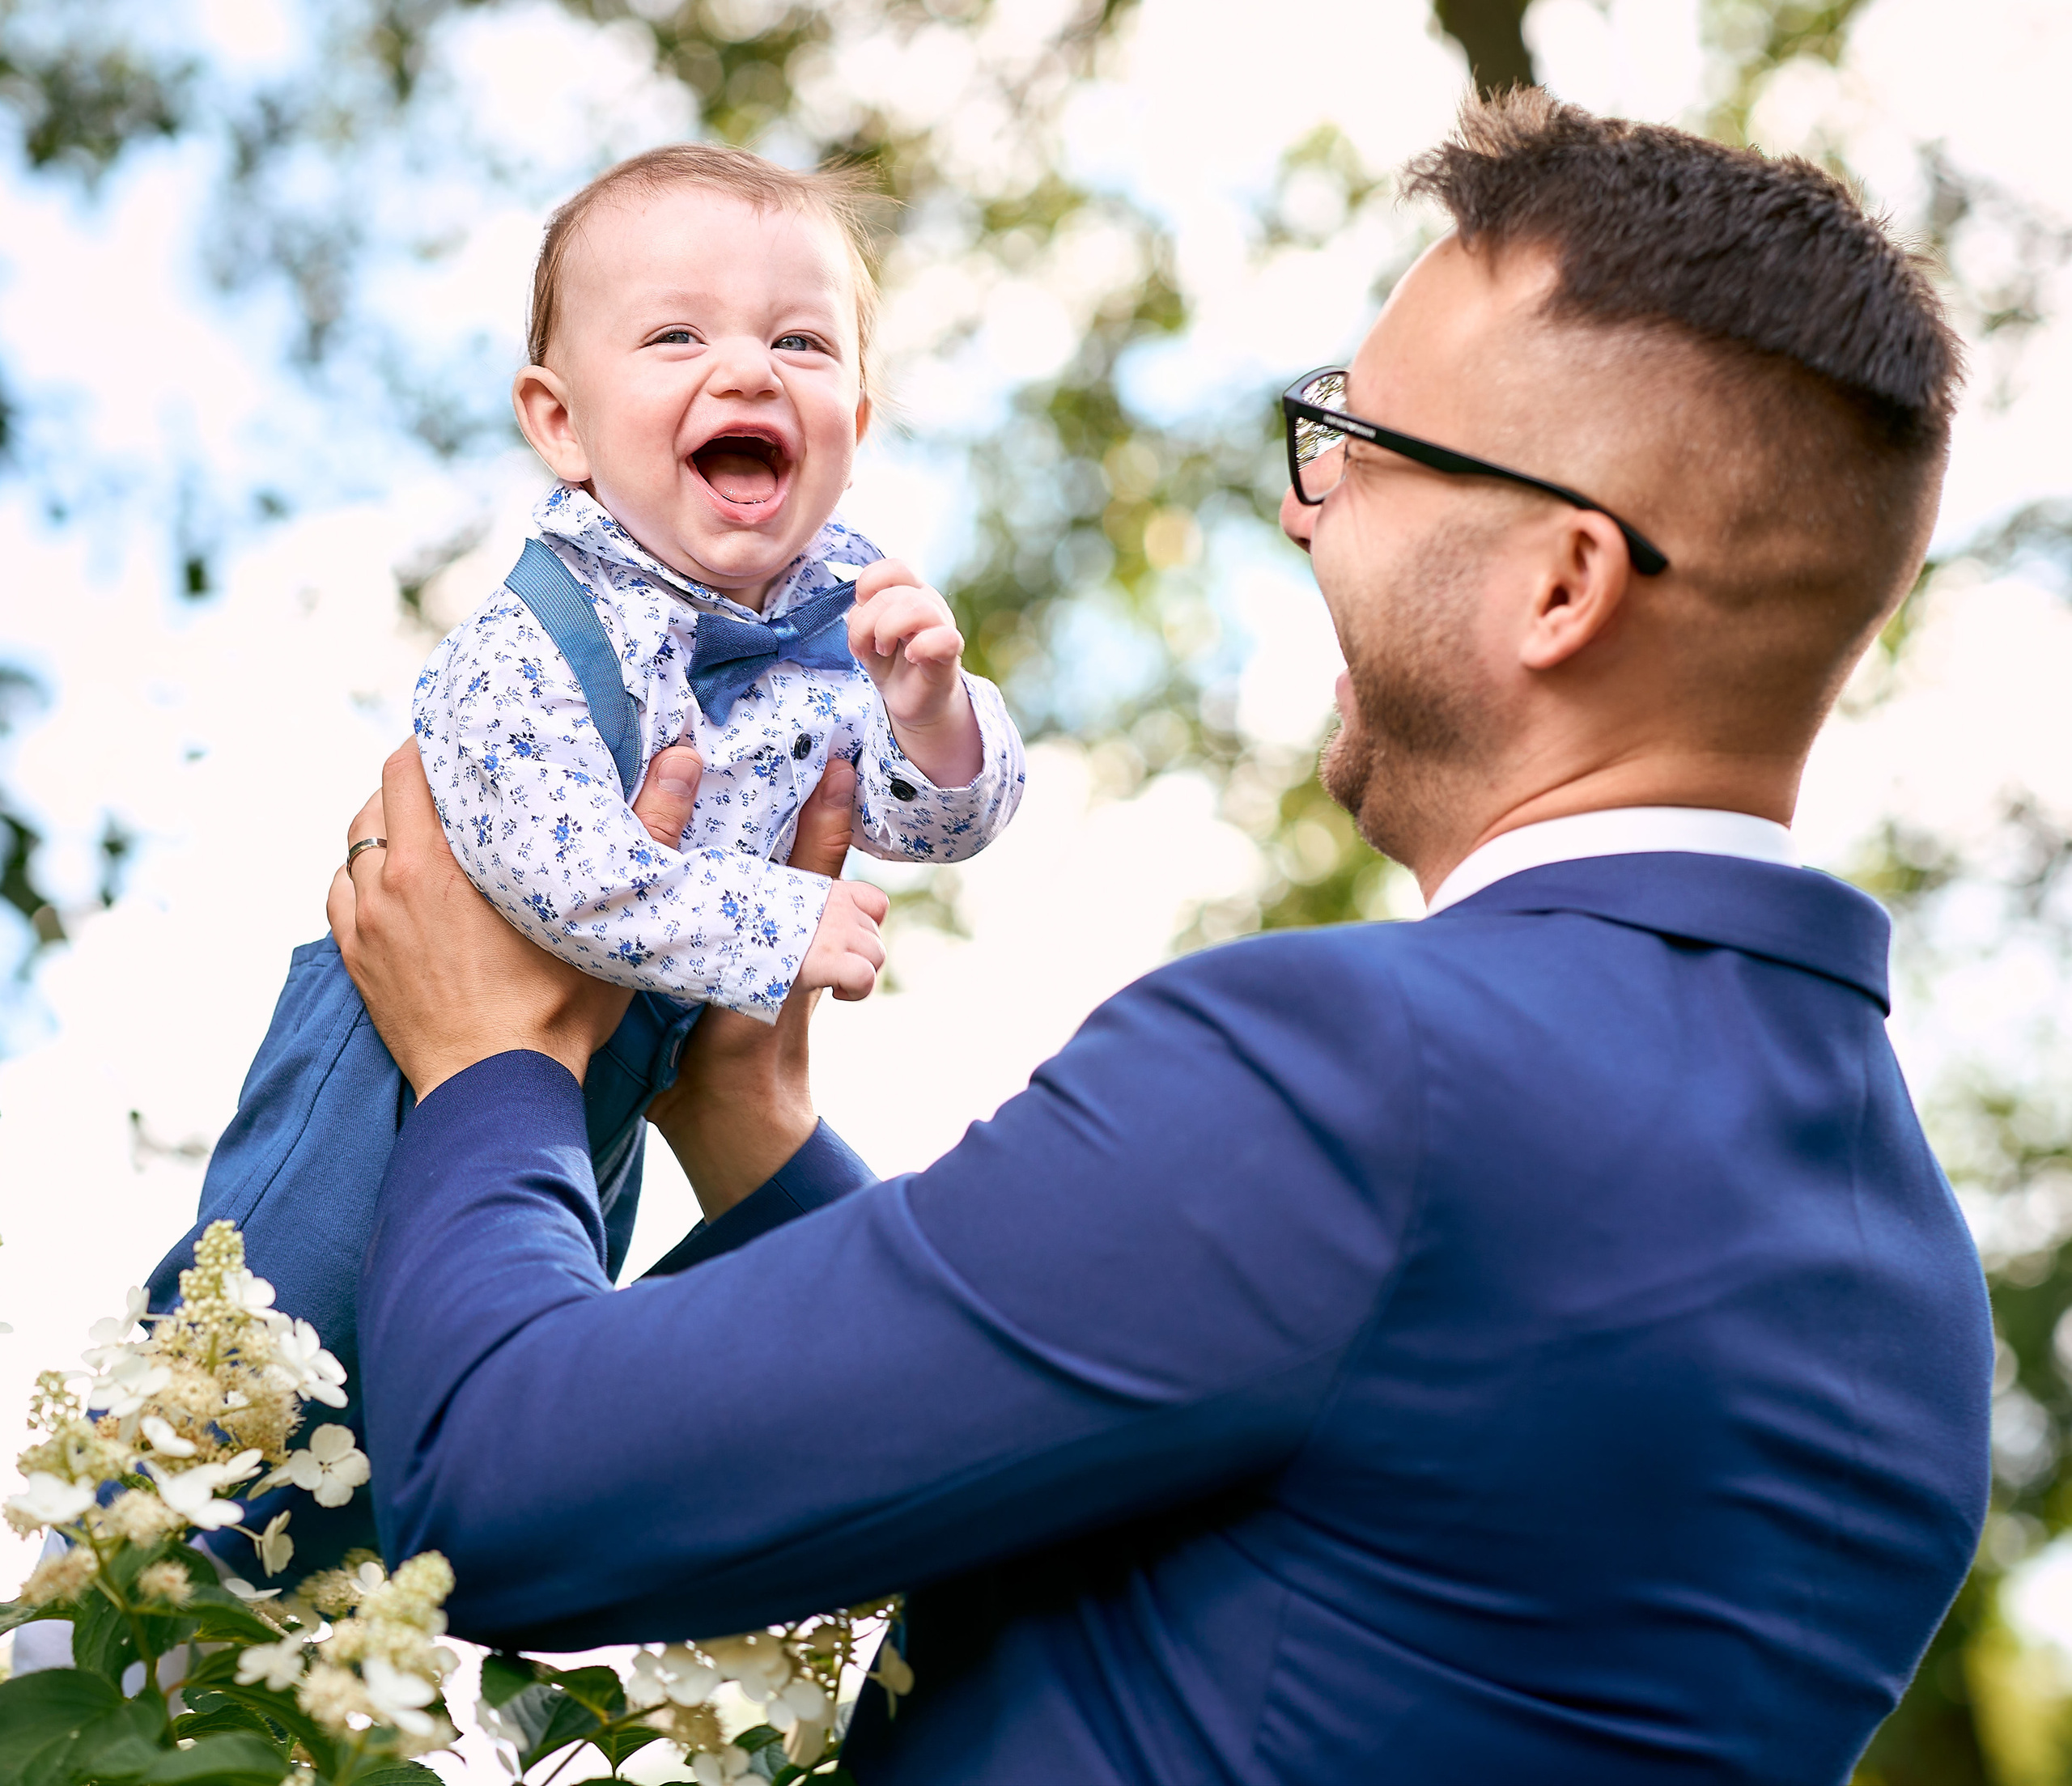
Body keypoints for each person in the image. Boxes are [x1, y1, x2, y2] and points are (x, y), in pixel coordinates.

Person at [333, 94, 1992, 1784]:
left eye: (1357, 447)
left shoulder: (1352, 1075)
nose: (1302, 508)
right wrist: (757, 1132)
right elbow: (1215, 1497)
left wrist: (491, 1062)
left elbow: (501, 1492)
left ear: (1560, 587)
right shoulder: (1918, 1309)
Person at [142, 143, 1026, 1577]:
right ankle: (99, 1611)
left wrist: (936, 714)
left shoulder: (841, 636)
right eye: (677, 334)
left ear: (855, 421)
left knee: (447, 1435)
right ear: (562, 424)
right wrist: (767, 926)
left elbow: (940, 823)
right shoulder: (531, 640)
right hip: (393, 1062)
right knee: (246, 1381)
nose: (747, 370)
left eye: (801, 343)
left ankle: (337, 1654)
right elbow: (559, 875)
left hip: (574, 1103)